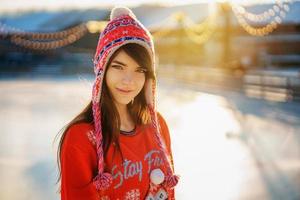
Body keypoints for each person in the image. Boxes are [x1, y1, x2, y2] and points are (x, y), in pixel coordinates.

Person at [56, 6, 179, 200]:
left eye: (140, 70)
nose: (128, 80)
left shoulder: (158, 126)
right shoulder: (80, 138)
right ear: (102, 69)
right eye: (118, 67)